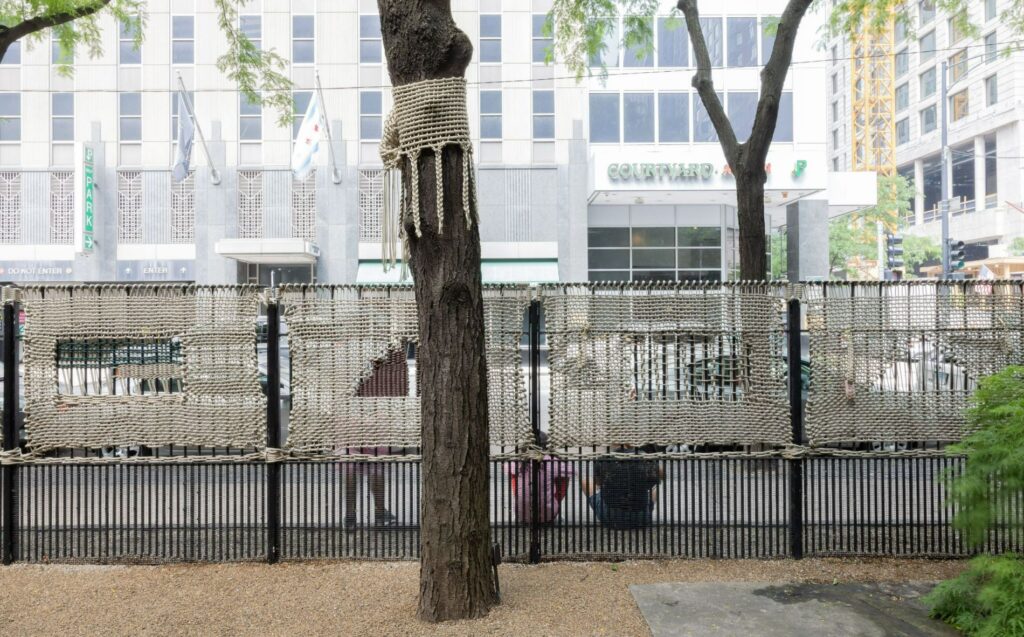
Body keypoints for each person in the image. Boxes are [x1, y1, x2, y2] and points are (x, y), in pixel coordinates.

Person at [338, 348, 409, 530]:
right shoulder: (379, 373)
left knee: (364, 466)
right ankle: (363, 513)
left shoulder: (358, 372)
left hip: (364, 423)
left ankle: (356, 514)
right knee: (360, 465)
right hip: (359, 423)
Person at [582, 445, 663, 530]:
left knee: (586, 481)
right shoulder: (643, 458)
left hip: (610, 518)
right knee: (654, 489)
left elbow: (598, 483)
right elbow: (661, 475)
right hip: (641, 518)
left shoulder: (605, 458)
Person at [507, 431, 574, 525]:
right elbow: (571, 470)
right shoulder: (551, 461)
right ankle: (554, 505)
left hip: (521, 515)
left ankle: (523, 504)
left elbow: (506, 467)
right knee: (563, 477)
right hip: (548, 516)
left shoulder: (520, 460)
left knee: (515, 475)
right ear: (546, 445)